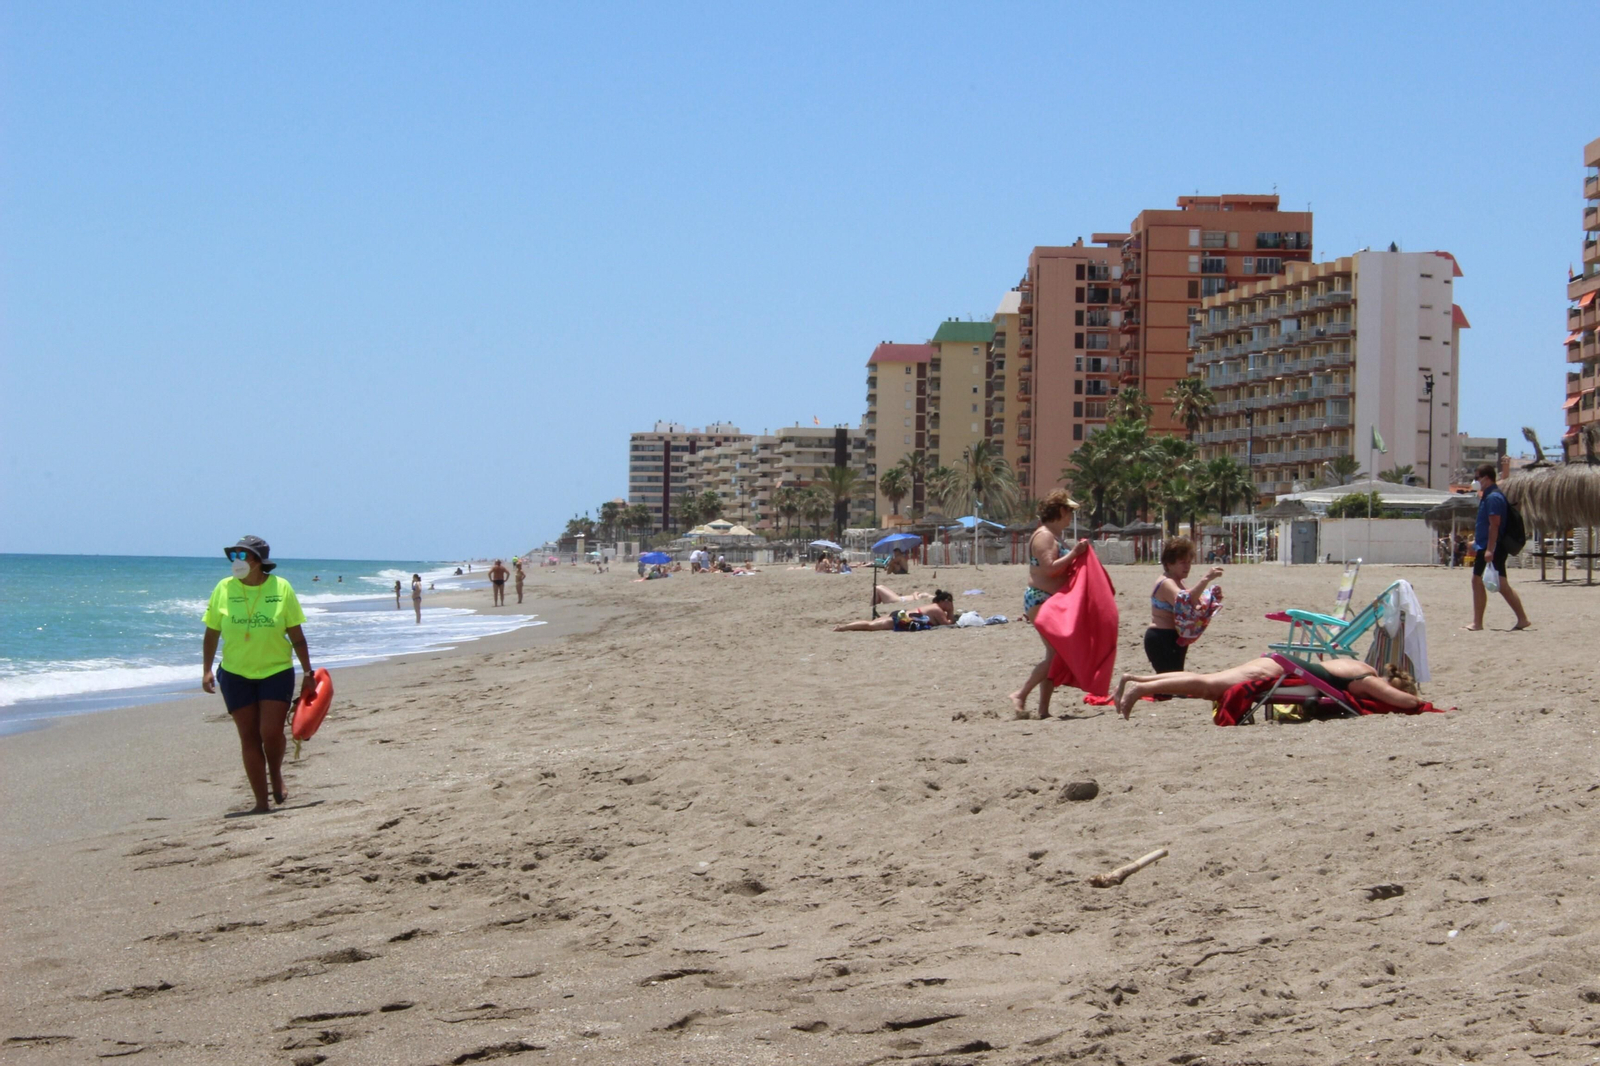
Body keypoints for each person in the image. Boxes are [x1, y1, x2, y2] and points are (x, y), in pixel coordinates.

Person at [201, 536, 314, 814]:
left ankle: (275, 774)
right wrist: (205, 669)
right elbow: (212, 631)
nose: (237, 561)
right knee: (249, 737)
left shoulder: (281, 587)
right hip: (235, 673)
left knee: (270, 732)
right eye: (234, 556)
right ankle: (260, 802)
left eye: (243, 555)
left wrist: (308, 671)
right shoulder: (223, 589)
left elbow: (296, 634)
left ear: (258, 560)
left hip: (276, 670)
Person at [1114, 654, 1422, 719]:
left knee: (1211, 678)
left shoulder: (1360, 665)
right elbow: (1406, 703)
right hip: (1279, 671)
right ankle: (1140, 691)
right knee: (1210, 685)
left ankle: (1137, 680)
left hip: (1281, 665)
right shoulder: (1368, 680)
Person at [1009, 490, 1090, 719]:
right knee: (1056, 654)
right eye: (1070, 512)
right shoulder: (1044, 536)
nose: (1071, 517)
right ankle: (1021, 694)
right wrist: (1075, 553)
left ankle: (1043, 709)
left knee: (1054, 654)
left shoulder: (1054, 535)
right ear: (1061, 511)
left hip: (1050, 599)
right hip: (1040, 598)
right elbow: (1050, 568)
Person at [1464, 464, 1531, 632]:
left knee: (1479, 581)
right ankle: (1522, 619)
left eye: (1477, 477)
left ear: (1486, 478)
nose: (1475, 481)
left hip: (1493, 546)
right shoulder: (1489, 496)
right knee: (1498, 584)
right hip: (1490, 545)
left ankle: (1478, 623)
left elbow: (1495, 525)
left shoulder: (1493, 497)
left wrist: (1489, 549)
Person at [1147, 537, 1223, 674]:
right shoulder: (1166, 582)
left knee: (1173, 684)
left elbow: (1194, 604)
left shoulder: (1178, 581)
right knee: (1168, 685)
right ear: (1169, 564)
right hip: (1161, 637)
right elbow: (1184, 601)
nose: (1187, 566)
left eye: (1189, 562)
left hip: (1175, 638)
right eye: (1182, 562)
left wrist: (1210, 599)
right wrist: (1206, 579)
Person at [833, 591, 957, 631]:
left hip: (902, 613)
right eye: (949, 602)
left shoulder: (932, 607)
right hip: (904, 618)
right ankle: (843, 628)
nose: (950, 604)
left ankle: (845, 626)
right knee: (870, 626)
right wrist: (951, 611)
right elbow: (947, 624)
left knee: (872, 623)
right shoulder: (937, 609)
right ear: (943, 601)